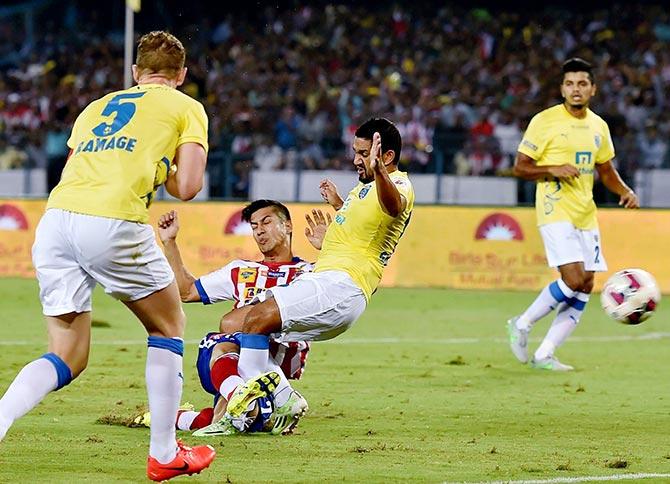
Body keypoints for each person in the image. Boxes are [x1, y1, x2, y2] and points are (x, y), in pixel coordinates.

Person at [0, 31, 216, 481]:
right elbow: (189, 187)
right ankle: (163, 453)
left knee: (67, 355)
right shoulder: (186, 107)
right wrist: (167, 166)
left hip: (57, 221)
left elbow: (84, 166)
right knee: (169, 324)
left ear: (136, 73)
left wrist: (155, 163)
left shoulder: (96, 107)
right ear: (181, 76)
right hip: (114, 220)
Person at [222, 117, 414, 421]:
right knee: (234, 323)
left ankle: (243, 415)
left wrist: (378, 172)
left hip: (343, 285)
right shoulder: (360, 191)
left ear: (386, 156)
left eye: (364, 154)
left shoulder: (399, 185)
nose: (356, 160)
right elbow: (363, 229)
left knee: (256, 319)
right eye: (356, 152)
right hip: (328, 277)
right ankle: (284, 399)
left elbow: (393, 207)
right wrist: (336, 214)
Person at [149, 201, 331, 435]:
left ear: (287, 226)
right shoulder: (241, 270)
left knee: (222, 342)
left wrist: (329, 252)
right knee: (222, 347)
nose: (259, 230)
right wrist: (170, 243)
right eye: (254, 226)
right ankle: (236, 401)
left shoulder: (311, 272)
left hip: (275, 363)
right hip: (235, 360)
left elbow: (358, 288)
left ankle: (182, 414)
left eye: (266, 222)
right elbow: (187, 291)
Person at [507, 58, 639, 371]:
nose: (575, 89)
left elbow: (605, 170)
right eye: (570, 83)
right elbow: (520, 167)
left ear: (592, 89)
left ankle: (545, 354)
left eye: (582, 84)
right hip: (554, 209)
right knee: (573, 278)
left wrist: (624, 191)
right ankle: (521, 323)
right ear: (562, 88)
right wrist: (551, 168)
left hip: (585, 212)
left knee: (587, 284)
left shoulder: (598, 126)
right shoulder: (545, 121)